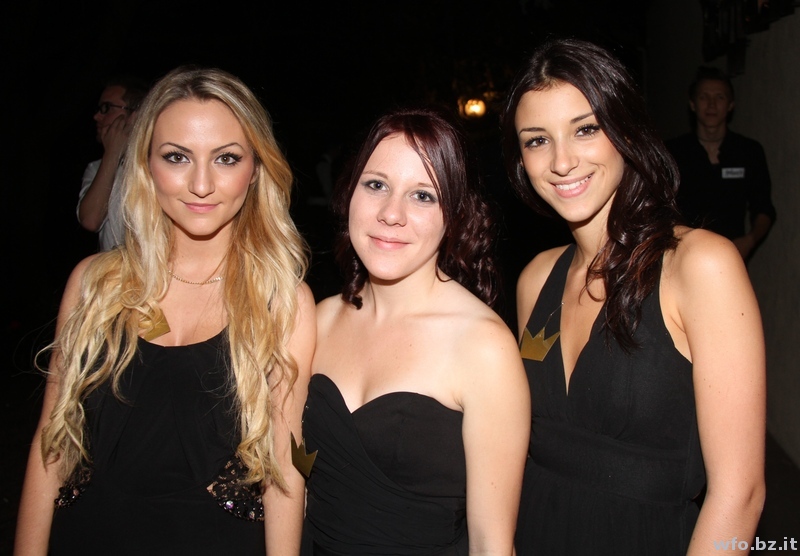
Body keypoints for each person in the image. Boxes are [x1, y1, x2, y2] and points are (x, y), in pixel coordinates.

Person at [15, 66, 316, 555]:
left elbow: (286, 461)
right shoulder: (95, 284)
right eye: (177, 156)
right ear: (145, 166)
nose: (201, 184)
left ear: (257, 169)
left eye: (226, 158)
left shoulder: (281, 301)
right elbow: (51, 446)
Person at [502, 38, 765, 555]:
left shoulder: (700, 266)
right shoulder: (535, 278)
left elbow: (741, 496)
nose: (561, 161)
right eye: (537, 140)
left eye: (585, 129)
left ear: (625, 132)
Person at [300, 106, 531, 555]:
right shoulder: (319, 321)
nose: (392, 214)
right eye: (376, 185)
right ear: (349, 192)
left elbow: (491, 544)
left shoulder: (483, 347)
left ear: (455, 214)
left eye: (423, 195)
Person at [666, 66, 776, 261]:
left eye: (719, 97)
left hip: (732, 256)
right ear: (692, 104)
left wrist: (749, 240)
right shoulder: (672, 152)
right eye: (704, 97)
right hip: (682, 255)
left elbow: (764, 208)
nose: (711, 104)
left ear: (730, 105)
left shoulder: (748, 151)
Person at [77, 75, 149, 251]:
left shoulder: (158, 163)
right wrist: (112, 153)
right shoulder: (96, 168)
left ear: (134, 114)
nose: (97, 116)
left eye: (106, 108)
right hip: (114, 269)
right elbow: (91, 220)